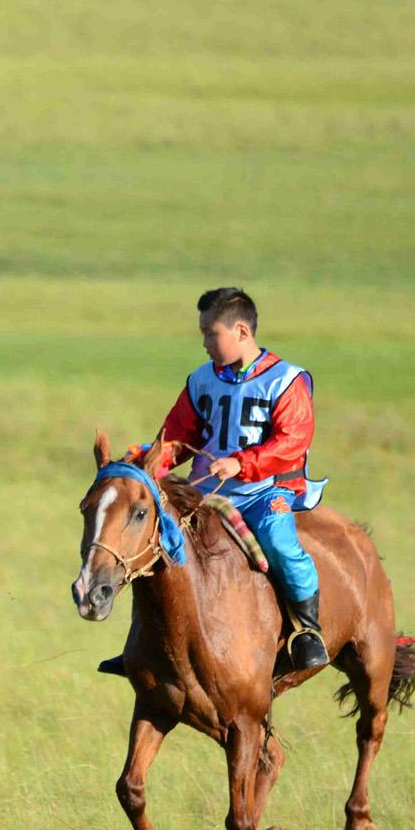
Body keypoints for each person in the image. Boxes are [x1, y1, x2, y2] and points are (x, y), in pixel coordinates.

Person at [99, 287, 331, 675]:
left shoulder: (286, 381)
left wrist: (241, 464)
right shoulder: (202, 380)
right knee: (156, 543)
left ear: (241, 331)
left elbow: (293, 441)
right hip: (204, 492)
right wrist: (146, 463)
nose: (205, 342)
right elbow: (177, 437)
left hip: (266, 491)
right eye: (203, 333)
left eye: (211, 333)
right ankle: (144, 644)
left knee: (280, 542)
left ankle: (307, 632)